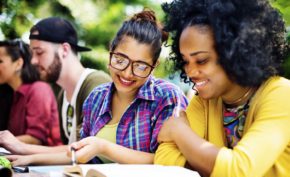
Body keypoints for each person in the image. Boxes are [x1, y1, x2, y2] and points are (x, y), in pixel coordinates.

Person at [7, 9, 188, 166]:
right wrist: (29, 159)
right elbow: (79, 153)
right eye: (120, 60)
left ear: (154, 66)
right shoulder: (97, 97)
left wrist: (105, 147)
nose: (127, 73)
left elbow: (168, 161)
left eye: (141, 66)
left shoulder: (166, 97)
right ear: (111, 52)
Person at [154, 0, 290, 177]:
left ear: (235, 52)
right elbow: (165, 161)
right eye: (185, 61)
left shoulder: (281, 94)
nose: (190, 72)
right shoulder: (204, 101)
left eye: (201, 60)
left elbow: (236, 175)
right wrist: (221, 173)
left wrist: (179, 131)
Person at [0, 17, 111, 154]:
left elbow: (85, 151)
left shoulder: (96, 84)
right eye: (32, 54)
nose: (33, 61)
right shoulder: (62, 96)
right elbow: (69, 151)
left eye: (39, 52)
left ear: (64, 50)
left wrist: (22, 148)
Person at [0, 39, 62, 146]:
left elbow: (35, 138)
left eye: (0, 61)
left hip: (49, 161)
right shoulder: (14, 94)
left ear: (18, 64)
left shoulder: (39, 89)